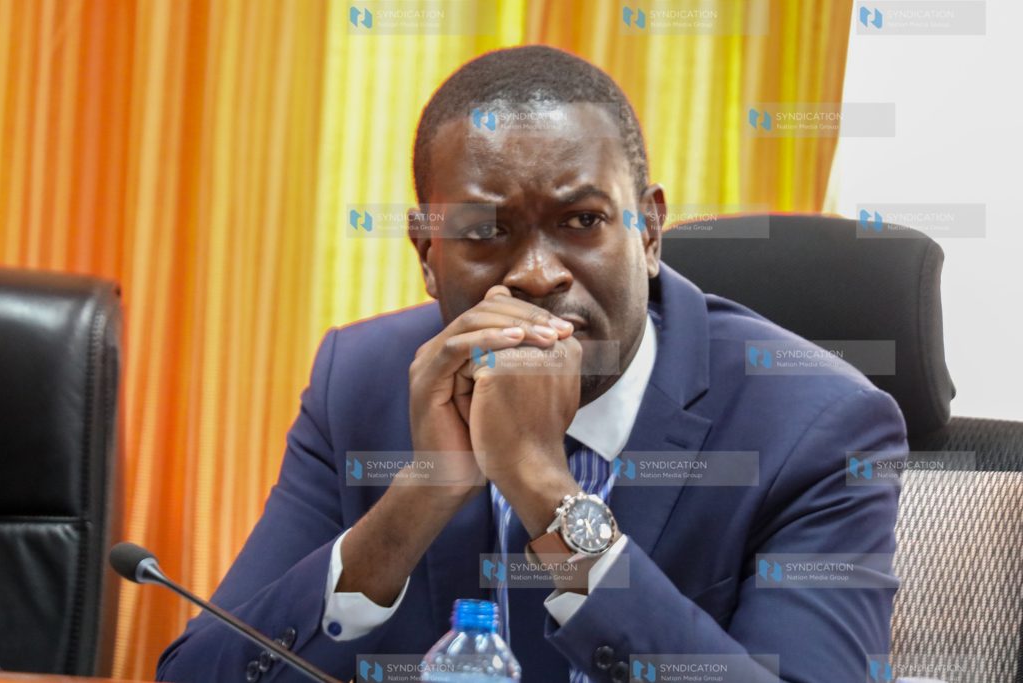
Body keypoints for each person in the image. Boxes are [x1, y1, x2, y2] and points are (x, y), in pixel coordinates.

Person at [157, 45, 907, 683]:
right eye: (486, 231)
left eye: (582, 221)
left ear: (648, 231)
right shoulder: (359, 378)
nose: (540, 272)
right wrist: (418, 497)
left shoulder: (815, 425)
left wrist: (546, 491)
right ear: (427, 254)